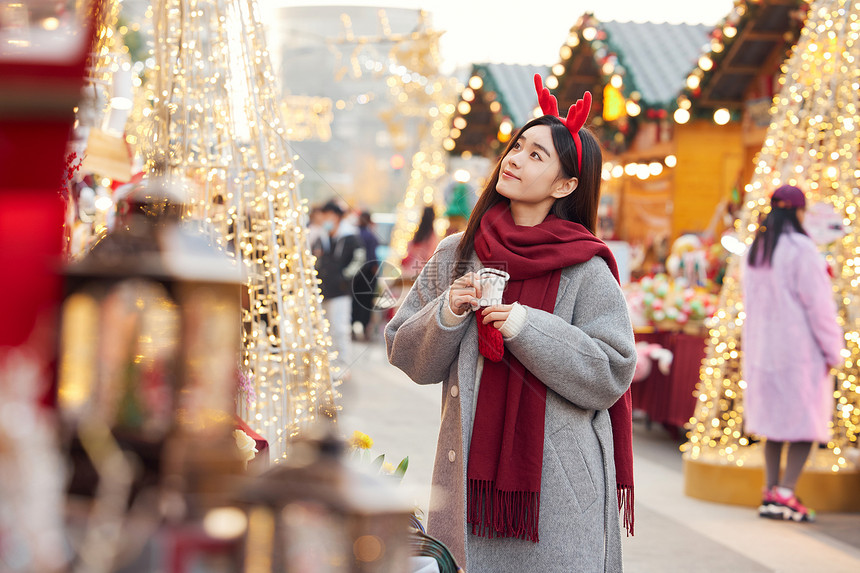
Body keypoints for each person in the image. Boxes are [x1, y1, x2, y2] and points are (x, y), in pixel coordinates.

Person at [385, 75, 636, 571]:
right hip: (468, 488)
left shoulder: (585, 268)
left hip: (560, 496)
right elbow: (404, 351)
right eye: (517, 147)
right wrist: (449, 313)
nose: (515, 159)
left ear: (566, 185)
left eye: (537, 155)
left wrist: (526, 326)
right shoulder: (456, 253)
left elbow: (612, 371)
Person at [742, 184, 843, 522]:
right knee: (804, 423)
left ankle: (771, 491)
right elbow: (820, 307)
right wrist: (833, 351)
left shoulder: (756, 250)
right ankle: (786, 493)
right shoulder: (802, 249)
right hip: (799, 352)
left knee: (774, 423)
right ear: (799, 212)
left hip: (763, 350)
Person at [312, 200, 365, 381]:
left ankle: (342, 364)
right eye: (324, 215)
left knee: (339, 328)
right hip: (322, 290)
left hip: (340, 292)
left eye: (330, 216)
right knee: (324, 329)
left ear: (338, 217)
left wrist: (344, 278)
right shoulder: (322, 236)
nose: (326, 219)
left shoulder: (350, 237)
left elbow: (359, 260)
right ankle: (326, 364)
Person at [352, 210, 380, 340]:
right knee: (366, 301)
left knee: (355, 300)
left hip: (356, 274)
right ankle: (363, 327)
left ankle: (353, 326)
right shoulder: (370, 235)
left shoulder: (354, 234)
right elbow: (373, 257)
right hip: (368, 274)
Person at [401, 205, 440, 282]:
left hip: (410, 268)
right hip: (423, 271)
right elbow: (431, 255)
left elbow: (409, 249)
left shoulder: (418, 233)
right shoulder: (432, 236)